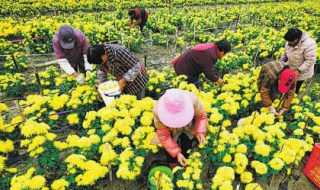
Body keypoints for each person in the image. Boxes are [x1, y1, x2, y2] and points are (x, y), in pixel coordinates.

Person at [152, 88, 207, 169]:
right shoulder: (157, 111)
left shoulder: (193, 100)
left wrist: (199, 131)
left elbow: (201, 116)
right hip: (170, 129)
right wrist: (177, 153)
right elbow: (164, 136)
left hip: (188, 126)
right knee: (170, 149)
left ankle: (186, 162)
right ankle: (173, 168)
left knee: (187, 143)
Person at [280, 28, 317, 93]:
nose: (288, 43)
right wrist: (280, 62)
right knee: (287, 83)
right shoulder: (290, 41)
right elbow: (286, 53)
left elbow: (310, 60)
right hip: (292, 66)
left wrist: (299, 70)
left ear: (296, 39)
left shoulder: (309, 44)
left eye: (290, 41)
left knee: (296, 86)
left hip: (303, 70)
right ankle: (285, 93)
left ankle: (294, 94)